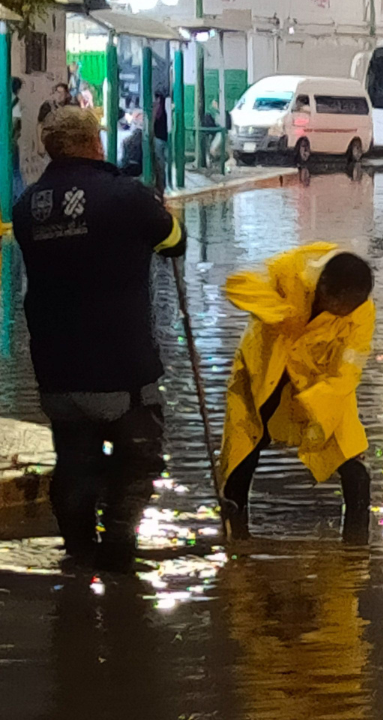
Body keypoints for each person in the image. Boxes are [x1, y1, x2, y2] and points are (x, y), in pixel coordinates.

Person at [12, 107, 187, 571]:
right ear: (95, 142)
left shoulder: (28, 205)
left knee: (74, 461)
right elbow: (174, 242)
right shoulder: (125, 195)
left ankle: (77, 561)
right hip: (120, 367)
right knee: (139, 460)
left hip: (56, 371)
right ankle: (118, 556)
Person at [218, 244, 376, 543]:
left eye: (353, 306)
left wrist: (316, 404)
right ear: (325, 288)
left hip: (320, 384)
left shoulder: (361, 310)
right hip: (265, 372)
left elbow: (349, 369)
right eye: (341, 305)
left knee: (351, 457)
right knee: (243, 451)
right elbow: (238, 286)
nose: (346, 312)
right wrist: (280, 313)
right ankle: (234, 537)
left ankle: (356, 547)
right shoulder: (290, 269)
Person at [153, 92, 168, 191]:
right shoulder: (165, 109)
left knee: (160, 164)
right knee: (162, 164)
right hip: (164, 138)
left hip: (159, 138)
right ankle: (162, 184)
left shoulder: (157, 109)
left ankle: (161, 185)